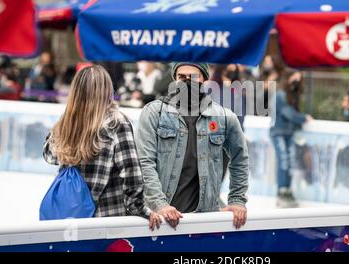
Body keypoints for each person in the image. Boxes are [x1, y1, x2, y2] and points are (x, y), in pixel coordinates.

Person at [42, 65, 161, 230]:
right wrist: (140, 210)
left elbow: (49, 155)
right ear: (107, 90)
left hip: (72, 219)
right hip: (107, 221)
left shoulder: (67, 122)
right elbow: (131, 174)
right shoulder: (116, 122)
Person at [136, 63, 249, 229]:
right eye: (182, 77)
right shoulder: (154, 113)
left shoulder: (224, 117)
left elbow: (240, 159)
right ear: (174, 79)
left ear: (204, 79)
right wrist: (160, 204)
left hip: (204, 219)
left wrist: (237, 200)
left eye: (193, 77)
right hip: (162, 219)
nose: (187, 82)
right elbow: (145, 162)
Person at [270, 69, 312, 208]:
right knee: (284, 161)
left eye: (298, 80)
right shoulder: (281, 95)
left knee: (290, 162)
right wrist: (303, 118)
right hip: (279, 133)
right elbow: (288, 113)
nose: (296, 83)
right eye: (294, 79)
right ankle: (282, 191)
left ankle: (287, 190)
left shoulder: (292, 96)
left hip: (289, 133)